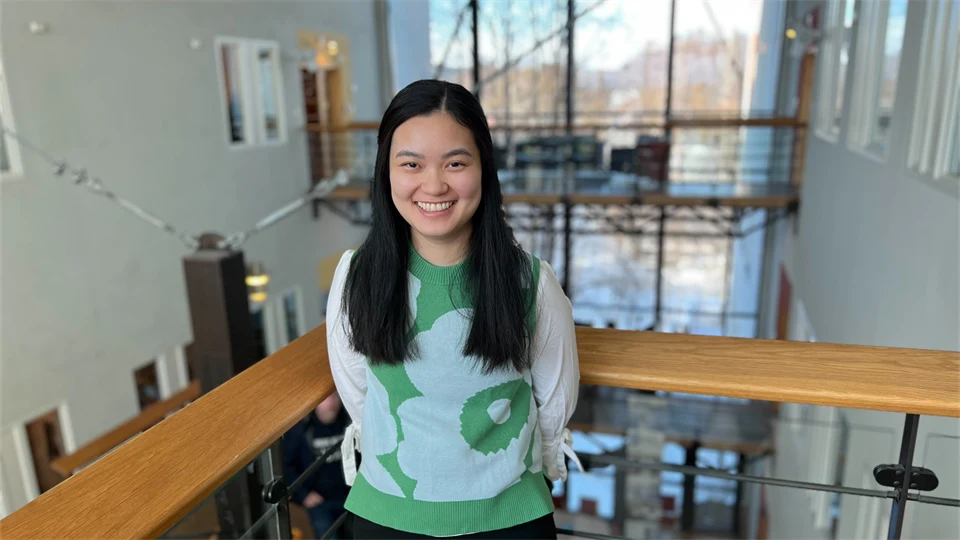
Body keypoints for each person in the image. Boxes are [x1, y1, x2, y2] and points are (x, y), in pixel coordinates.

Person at [325, 79, 581, 539]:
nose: (434, 184)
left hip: (510, 519)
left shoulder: (531, 282)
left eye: (455, 163)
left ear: (484, 168)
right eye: (411, 164)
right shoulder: (355, 275)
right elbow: (360, 398)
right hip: (383, 517)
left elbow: (555, 405)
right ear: (387, 171)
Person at [283, 393, 350, 540]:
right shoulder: (301, 430)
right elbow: (286, 466)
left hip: (350, 497)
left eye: (334, 397)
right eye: (326, 399)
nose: (331, 403)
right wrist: (303, 495)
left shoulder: (348, 422)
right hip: (320, 503)